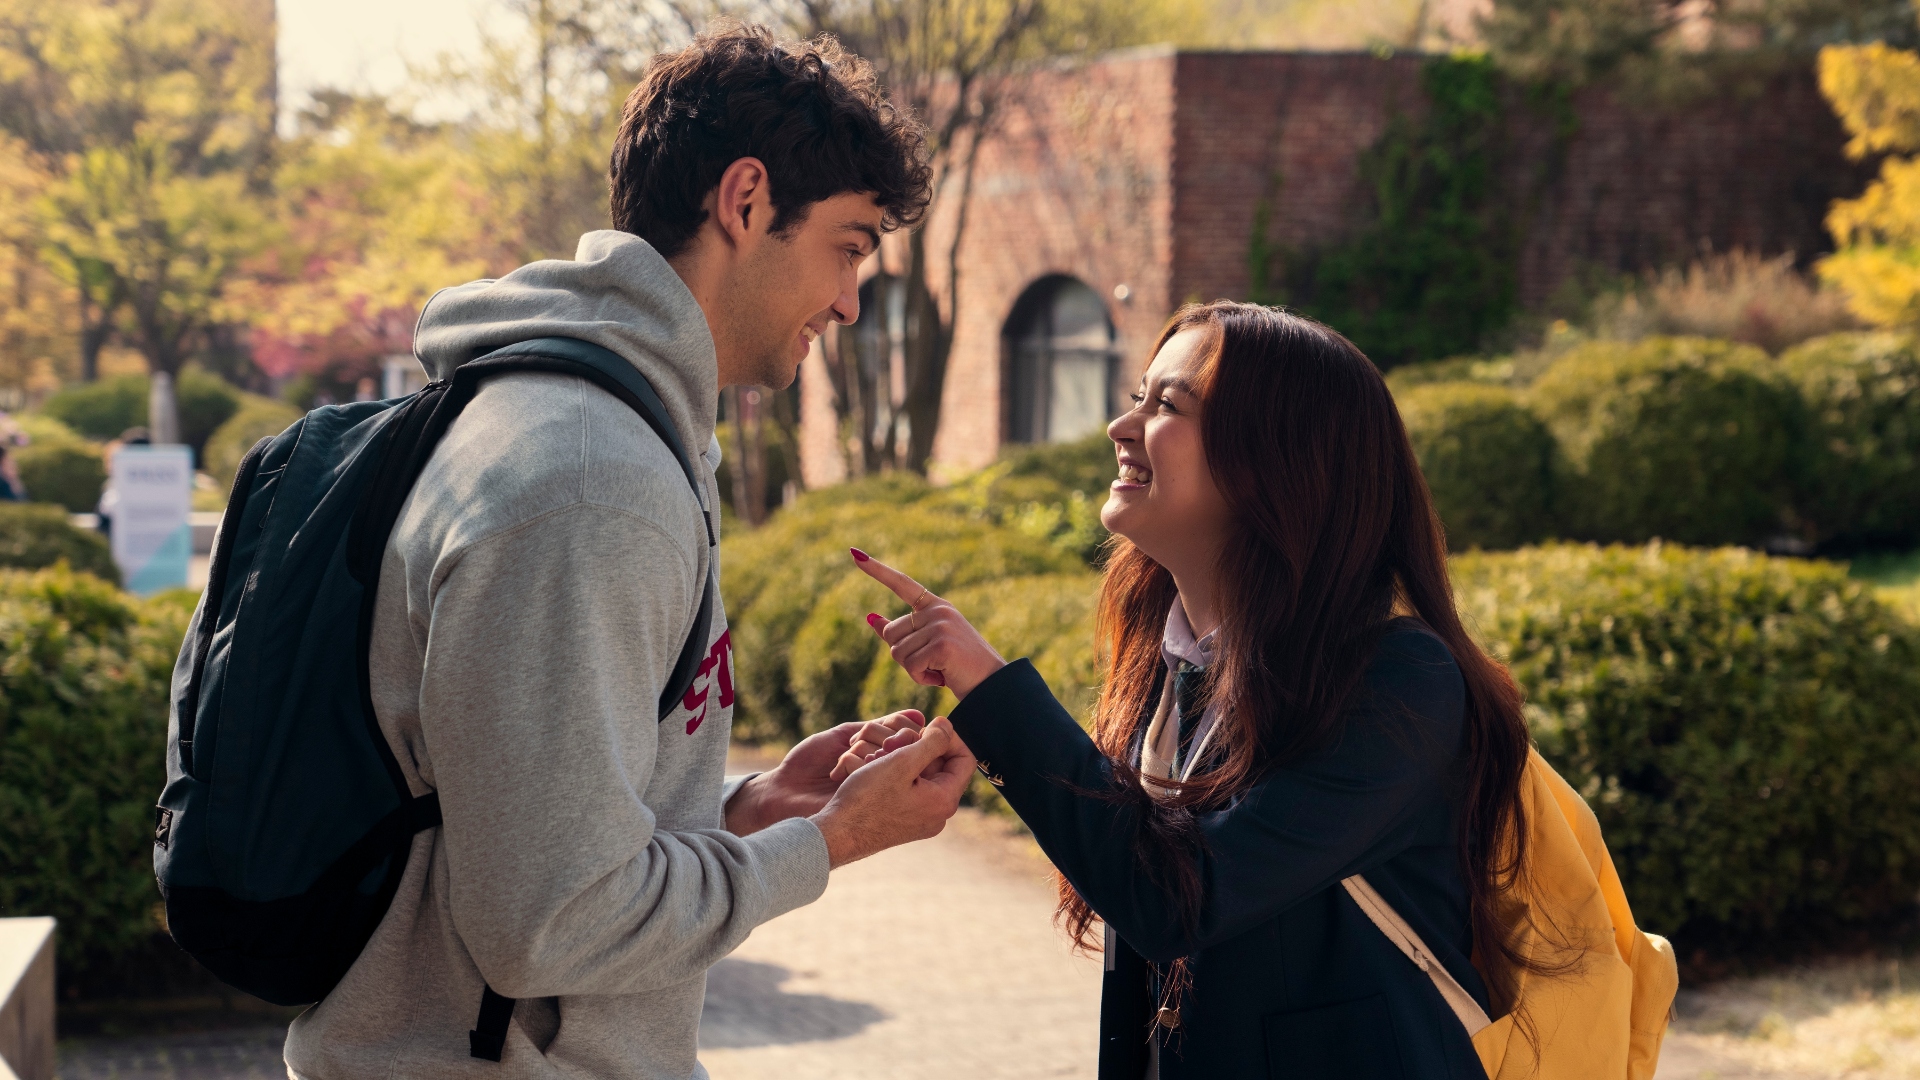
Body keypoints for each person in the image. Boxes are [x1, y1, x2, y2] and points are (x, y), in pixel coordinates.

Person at [286, 24, 974, 1078]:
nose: (848, 301)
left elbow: (526, 822)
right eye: (846, 246)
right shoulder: (589, 478)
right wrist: (826, 841)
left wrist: (741, 810)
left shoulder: (580, 425)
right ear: (745, 203)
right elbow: (552, 924)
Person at [843, 301, 1550, 1079]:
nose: (1122, 425)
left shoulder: (1399, 681)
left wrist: (998, 696)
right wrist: (979, 735)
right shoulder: (1170, 669)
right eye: (1139, 395)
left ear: (1279, 461)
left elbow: (1181, 899)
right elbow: (1130, 874)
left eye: (1167, 404)